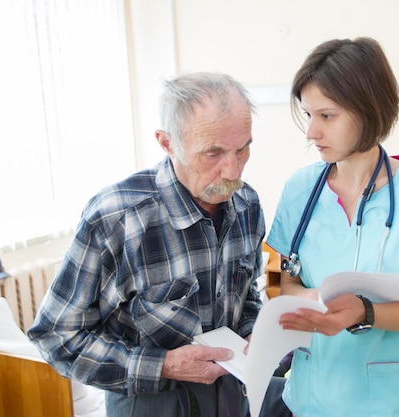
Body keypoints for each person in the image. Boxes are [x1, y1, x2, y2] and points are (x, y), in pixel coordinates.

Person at [28, 72, 276, 417]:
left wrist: (253, 334)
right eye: (213, 153)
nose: (232, 171)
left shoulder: (247, 204)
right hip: (147, 403)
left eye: (243, 148)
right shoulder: (115, 219)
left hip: (233, 395)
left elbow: (246, 295)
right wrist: (164, 365)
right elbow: (56, 336)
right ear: (167, 143)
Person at [265, 37, 399, 417]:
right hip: (311, 397)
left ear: (369, 110)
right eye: (308, 115)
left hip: (395, 402)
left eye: (327, 116)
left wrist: (363, 312)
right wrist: (305, 301)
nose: (311, 132)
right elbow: (285, 282)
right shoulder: (299, 190)